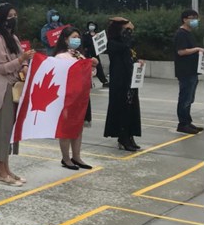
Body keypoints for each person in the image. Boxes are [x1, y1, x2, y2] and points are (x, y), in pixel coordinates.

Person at [0, 3, 36, 186]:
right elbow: (1, 68)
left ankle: (7, 169)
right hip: (4, 90)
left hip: (16, 87)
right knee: (2, 131)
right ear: (2, 19)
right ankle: (0, 172)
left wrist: (25, 64)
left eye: (15, 15)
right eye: (10, 15)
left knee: (9, 131)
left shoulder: (13, 38)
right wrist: (21, 60)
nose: (13, 18)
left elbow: (21, 58)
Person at [53, 27, 95, 170]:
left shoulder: (80, 55)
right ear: (65, 39)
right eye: (74, 37)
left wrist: (92, 65)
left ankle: (76, 156)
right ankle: (65, 158)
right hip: (67, 97)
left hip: (81, 97)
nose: (77, 39)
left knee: (78, 128)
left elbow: (89, 74)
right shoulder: (61, 57)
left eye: (78, 37)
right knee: (65, 128)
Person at [103, 17, 143, 152]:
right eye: (126, 27)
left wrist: (138, 61)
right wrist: (127, 31)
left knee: (132, 107)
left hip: (131, 78)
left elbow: (131, 51)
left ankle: (130, 135)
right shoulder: (113, 43)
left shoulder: (127, 42)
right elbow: (125, 46)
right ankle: (123, 137)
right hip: (120, 80)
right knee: (122, 108)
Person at [174, 9, 204, 134]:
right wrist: (196, 49)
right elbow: (181, 51)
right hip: (185, 71)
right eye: (192, 18)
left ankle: (188, 121)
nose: (195, 21)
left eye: (196, 18)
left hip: (192, 70)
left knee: (189, 98)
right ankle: (183, 123)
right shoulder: (181, 33)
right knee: (185, 98)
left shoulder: (188, 33)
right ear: (185, 19)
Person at [81, 21, 109, 87]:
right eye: (90, 25)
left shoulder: (98, 34)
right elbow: (84, 43)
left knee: (99, 68)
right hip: (88, 54)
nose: (91, 26)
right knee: (87, 69)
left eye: (93, 25)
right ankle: (88, 83)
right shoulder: (85, 35)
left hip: (95, 54)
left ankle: (104, 81)